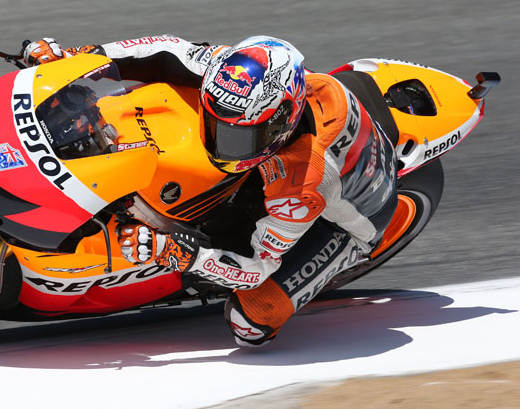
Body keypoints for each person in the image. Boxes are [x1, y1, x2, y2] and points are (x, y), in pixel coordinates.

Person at [23, 35, 398, 347]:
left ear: (279, 125)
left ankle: (319, 266)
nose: (221, 142)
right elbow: (163, 50)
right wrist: (71, 58)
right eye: (214, 120)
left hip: (348, 222)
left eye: (237, 136)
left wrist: (176, 252)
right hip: (291, 155)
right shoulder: (234, 76)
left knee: (251, 323)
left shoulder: (302, 184)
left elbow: (257, 269)